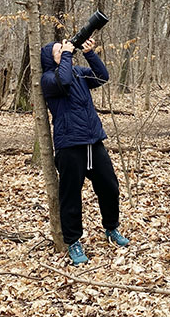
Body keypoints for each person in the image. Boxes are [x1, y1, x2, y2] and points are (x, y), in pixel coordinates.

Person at [40, 38, 129, 265]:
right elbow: (64, 80)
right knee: (71, 195)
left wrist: (90, 54)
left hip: (93, 140)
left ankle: (111, 228)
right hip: (69, 145)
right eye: (60, 50)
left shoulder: (78, 72)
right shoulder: (49, 79)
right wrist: (68, 55)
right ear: (51, 58)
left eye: (65, 48)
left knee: (109, 186)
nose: (66, 49)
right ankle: (73, 242)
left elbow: (102, 77)